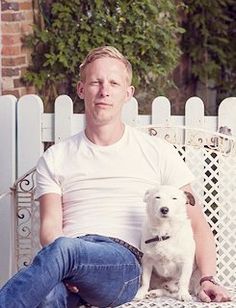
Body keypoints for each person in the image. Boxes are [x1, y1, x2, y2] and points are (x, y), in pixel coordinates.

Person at [0, 46, 231, 307]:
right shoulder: (55, 157)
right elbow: (50, 228)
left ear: (128, 94)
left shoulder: (158, 152)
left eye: (113, 83)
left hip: (123, 264)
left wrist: (208, 279)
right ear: (80, 89)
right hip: (67, 261)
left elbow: (197, 226)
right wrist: (68, 268)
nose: (104, 91)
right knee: (49, 297)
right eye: (95, 82)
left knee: (65, 248)